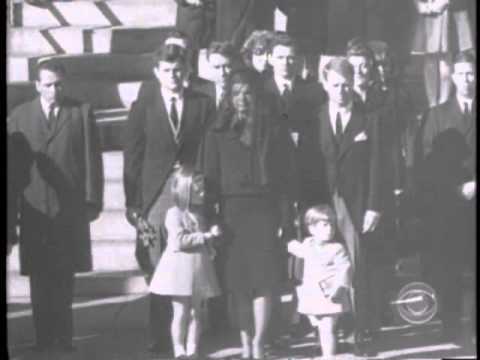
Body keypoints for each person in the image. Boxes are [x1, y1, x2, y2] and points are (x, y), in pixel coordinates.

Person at [123, 43, 215, 355]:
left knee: (189, 263)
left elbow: (209, 150)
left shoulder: (202, 104)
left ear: (187, 71)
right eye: (166, 70)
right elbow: (132, 157)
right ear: (156, 73)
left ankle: (193, 337)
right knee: (157, 264)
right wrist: (133, 202)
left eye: (178, 70)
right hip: (155, 194)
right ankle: (159, 334)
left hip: (191, 191)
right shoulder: (144, 107)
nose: (173, 76)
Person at [7, 60, 104, 353]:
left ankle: (64, 338)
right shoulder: (20, 115)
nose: (54, 90)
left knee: (64, 276)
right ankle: (43, 338)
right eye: (48, 84)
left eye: (59, 84)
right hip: (35, 206)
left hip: (69, 210)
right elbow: (13, 169)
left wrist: (92, 200)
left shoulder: (81, 112)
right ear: (37, 86)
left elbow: (92, 160)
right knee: (39, 277)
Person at [201, 69, 295, 359]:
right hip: (231, 216)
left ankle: (259, 343)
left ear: (257, 96)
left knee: (264, 281)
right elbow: (208, 181)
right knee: (238, 285)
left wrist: (284, 218)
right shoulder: (216, 132)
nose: (243, 98)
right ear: (228, 97)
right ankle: (244, 343)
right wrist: (211, 220)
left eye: (248, 93)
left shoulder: (274, 131)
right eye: (237, 93)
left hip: (264, 213)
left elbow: (286, 179)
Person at [297, 57, 381, 356]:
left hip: (355, 204)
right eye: (335, 85)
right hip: (321, 202)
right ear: (324, 84)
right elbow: (305, 164)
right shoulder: (314, 118)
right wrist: (305, 209)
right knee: (323, 268)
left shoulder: (368, 118)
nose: (342, 91)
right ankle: (330, 332)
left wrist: (373, 206)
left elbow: (377, 165)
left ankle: (359, 332)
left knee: (353, 266)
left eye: (347, 85)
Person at [416, 51, 476, 343]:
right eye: (461, 73)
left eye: (471, 73)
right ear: (452, 77)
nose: (467, 80)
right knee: (449, 268)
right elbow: (426, 160)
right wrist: (453, 189)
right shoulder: (436, 115)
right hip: (447, 206)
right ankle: (451, 328)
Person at [149, 166, 222, 359]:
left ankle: (192, 347)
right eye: (198, 190)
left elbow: (204, 240)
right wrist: (206, 236)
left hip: (198, 268)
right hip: (179, 270)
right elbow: (179, 241)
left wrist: (211, 244)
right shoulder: (174, 214)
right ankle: (178, 349)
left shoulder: (200, 215)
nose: (203, 193)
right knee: (180, 311)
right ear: (185, 191)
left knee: (197, 313)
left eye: (203, 189)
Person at [287, 205, 352, 359]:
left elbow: (345, 268)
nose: (330, 229)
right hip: (312, 296)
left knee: (327, 328)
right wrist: (290, 244)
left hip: (331, 294)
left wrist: (340, 288)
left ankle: (328, 356)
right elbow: (299, 250)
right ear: (311, 228)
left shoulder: (337, 248)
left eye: (332, 224)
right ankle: (326, 352)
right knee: (319, 326)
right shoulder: (308, 244)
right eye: (324, 225)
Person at [411, 0, 475, 107]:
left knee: (445, 60)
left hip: (449, 11)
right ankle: (432, 104)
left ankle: (443, 103)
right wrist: (420, 4)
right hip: (427, 12)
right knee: (430, 59)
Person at [275, 0, 329, 81]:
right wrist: (291, 10)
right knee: (295, 58)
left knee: (313, 62)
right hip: (297, 26)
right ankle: (295, 84)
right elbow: (281, 3)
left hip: (316, 27)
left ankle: (312, 83)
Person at [175, 0, 216, 76]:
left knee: (197, 46)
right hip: (189, 17)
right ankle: (186, 75)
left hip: (206, 15)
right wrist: (191, 1)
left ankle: (194, 74)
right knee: (187, 46)